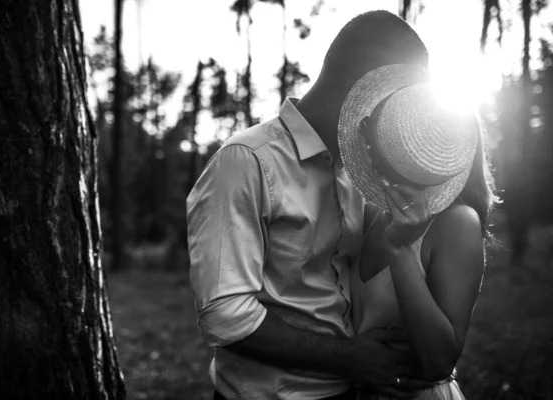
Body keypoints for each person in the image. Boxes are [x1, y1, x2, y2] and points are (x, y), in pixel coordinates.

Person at [187, 10, 434, 400]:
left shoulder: (356, 170)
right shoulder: (247, 161)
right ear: (364, 85)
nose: (402, 117)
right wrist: (351, 358)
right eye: (398, 99)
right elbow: (225, 315)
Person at [336, 64, 498, 399]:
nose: (370, 148)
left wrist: (399, 251)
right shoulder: (369, 214)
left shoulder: (457, 223)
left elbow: (439, 360)